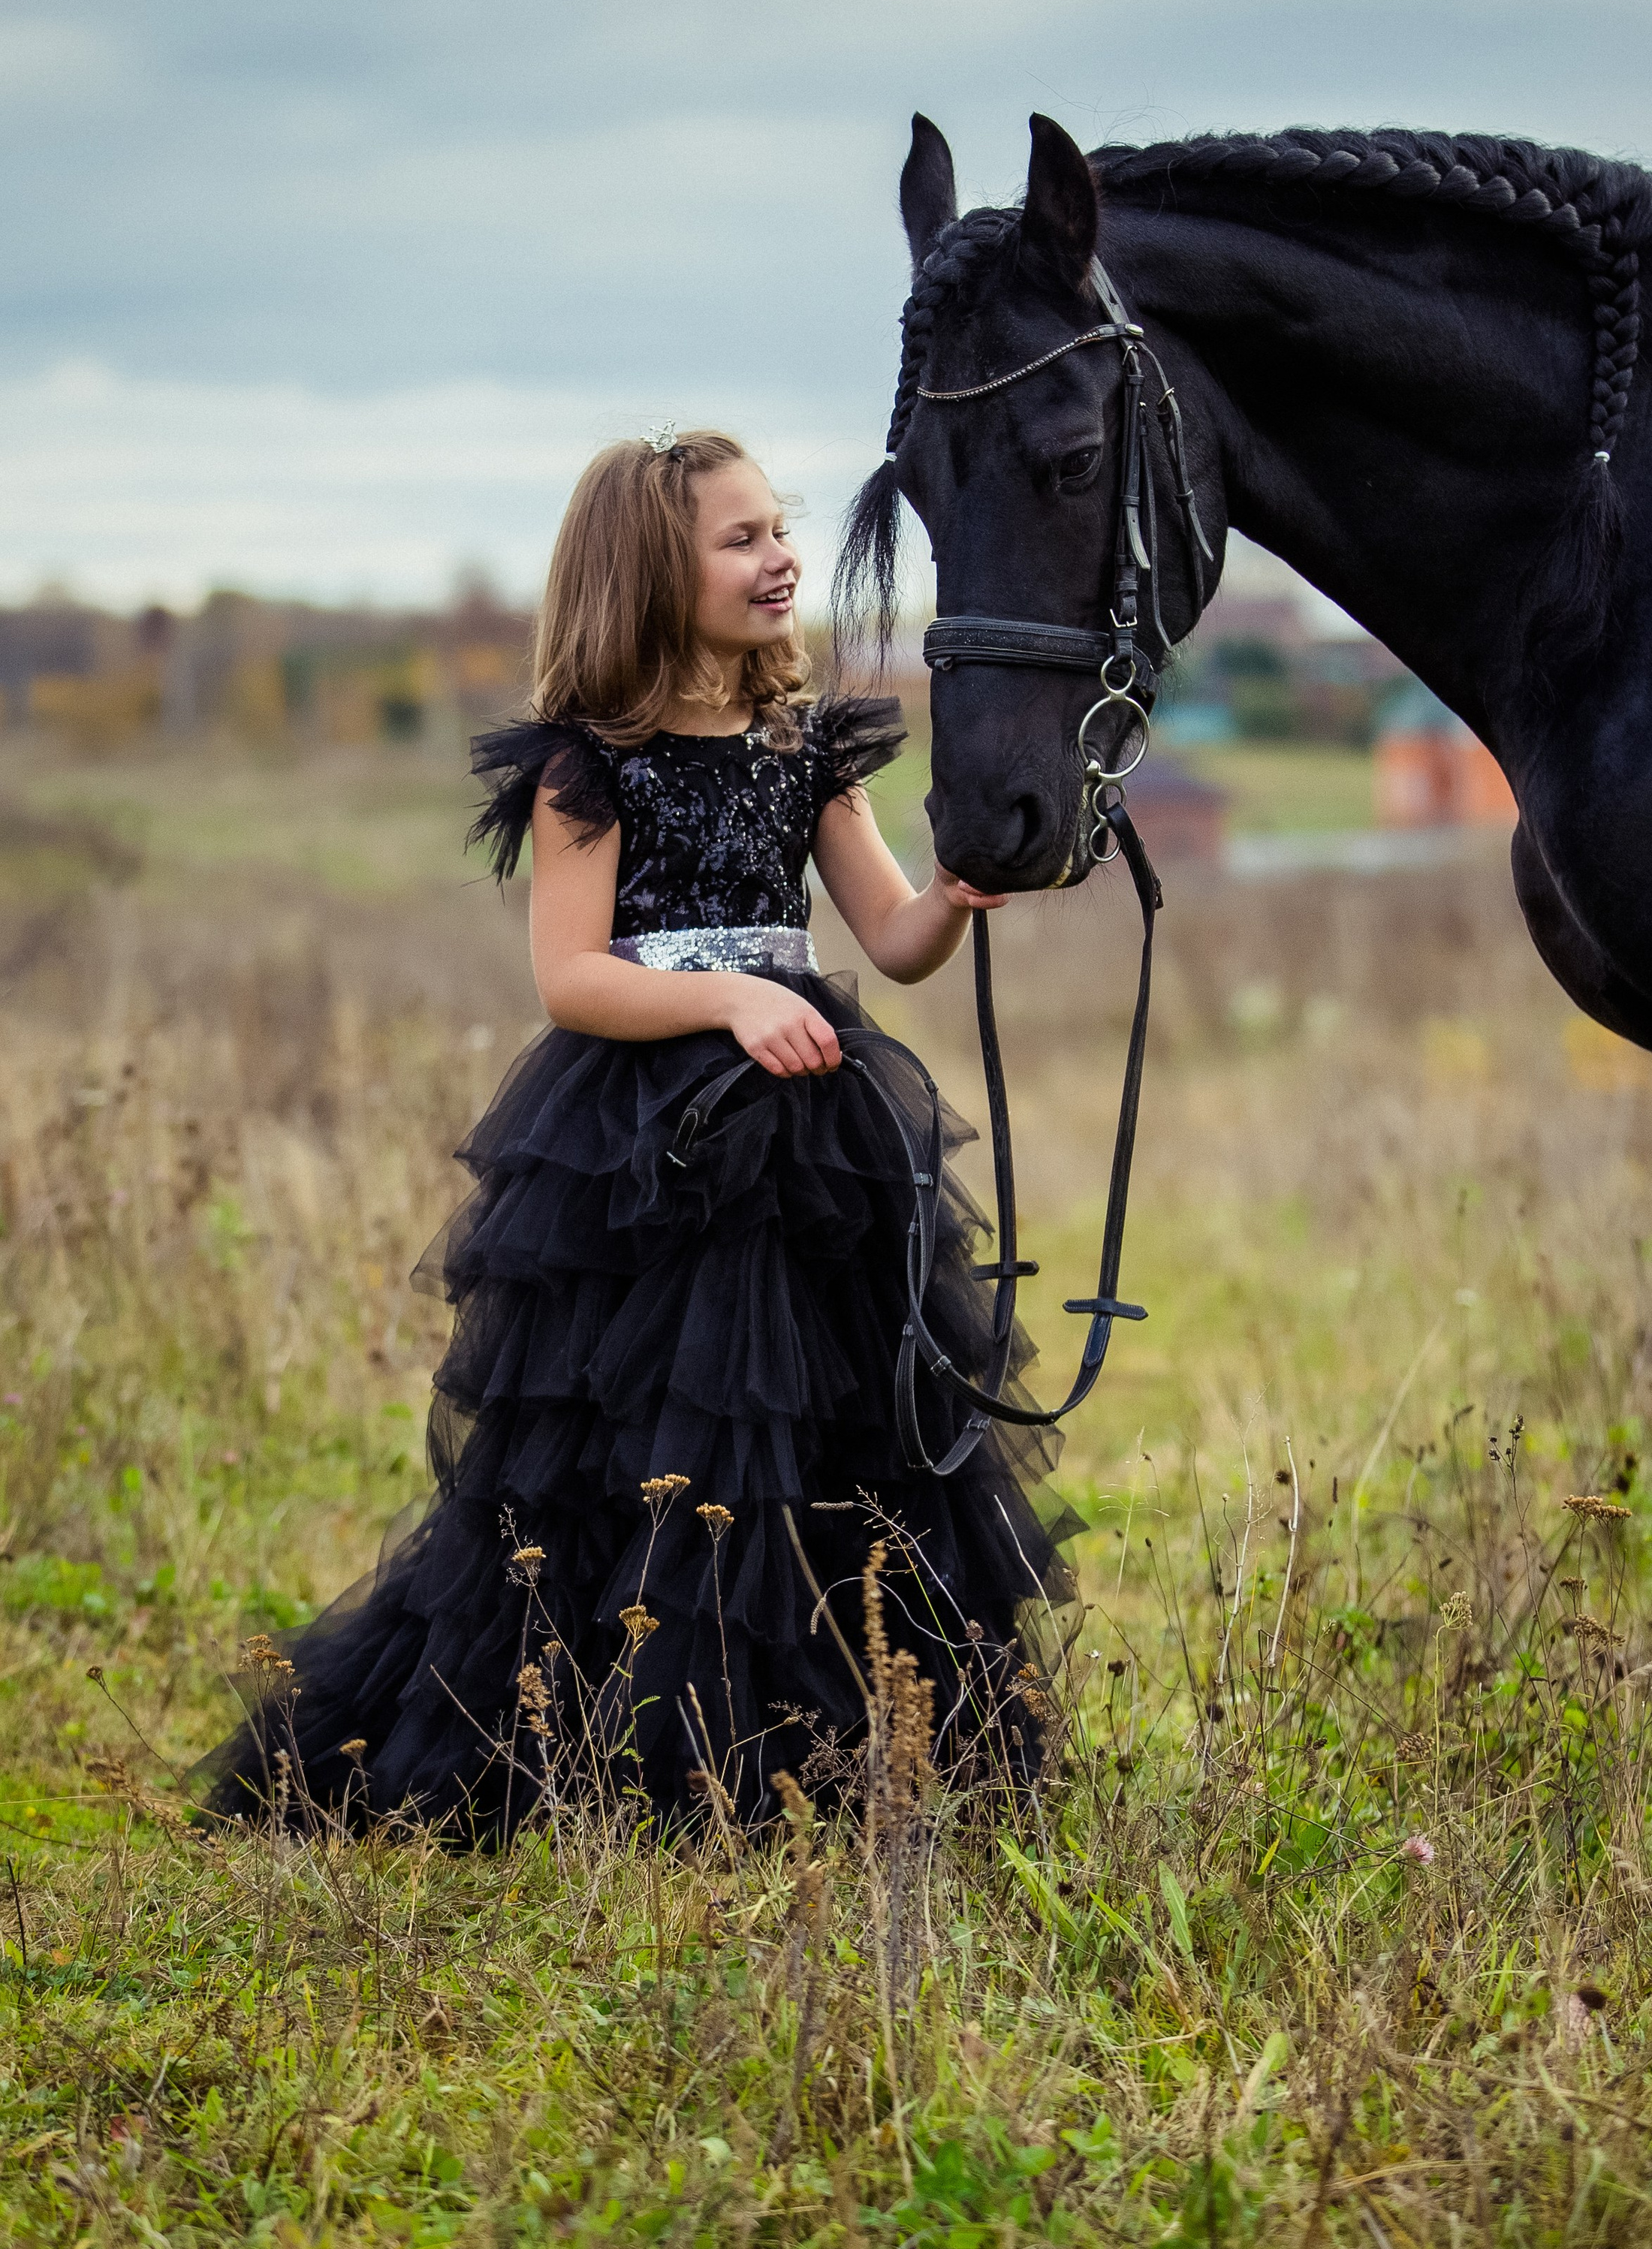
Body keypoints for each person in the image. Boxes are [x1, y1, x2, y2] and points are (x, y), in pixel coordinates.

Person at [199, 430, 1075, 1839]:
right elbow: (572, 977)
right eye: (741, 539)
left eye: (779, 528)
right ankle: (649, 1752)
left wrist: (963, 891)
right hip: (641, 1144)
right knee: (654, 1440)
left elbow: (894, 940)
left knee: (841, 1426)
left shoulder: (809, 750)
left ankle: (843, 1745)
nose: (782, 555)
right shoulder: (591, 769)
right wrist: (728, 995)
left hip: (813, 1135)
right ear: (647, 576)